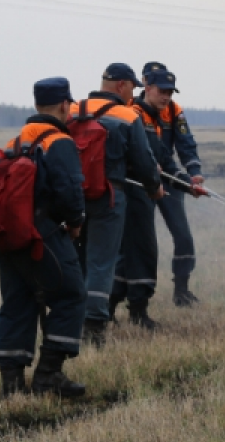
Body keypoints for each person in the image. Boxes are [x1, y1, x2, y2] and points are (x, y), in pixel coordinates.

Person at [0, 77, 88, 397]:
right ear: (65, 105)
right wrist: (75, 223)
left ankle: (12, 384)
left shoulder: (14, 142)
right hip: (40, 233)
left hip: (6, 237)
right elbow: (70, 190)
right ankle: (48, 375)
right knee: (71, 292)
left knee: (18, 301)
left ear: (36, 105)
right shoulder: (57, 140)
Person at [69, 64, 162, 348]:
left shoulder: (73, 110)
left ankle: (70, 317)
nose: (133, 94)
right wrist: (154, 187)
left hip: (71, 196)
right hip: (109, 197)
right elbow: (144, 162)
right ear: (121, 86)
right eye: (132, 88)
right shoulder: (126, 115)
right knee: (101, 262)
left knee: (76, 260)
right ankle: (95, 326)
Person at [140, 62, 207, 307]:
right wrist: (184, 179)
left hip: (169, 179)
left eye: (170, 92)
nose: (166, 97)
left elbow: (186, 142)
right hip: (141, 183)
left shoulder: (174, 111)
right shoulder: (133, 111)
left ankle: (181, 290)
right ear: (147, 86)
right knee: (142, 243)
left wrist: (194, 172)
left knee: (184, 236)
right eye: (162, 91)